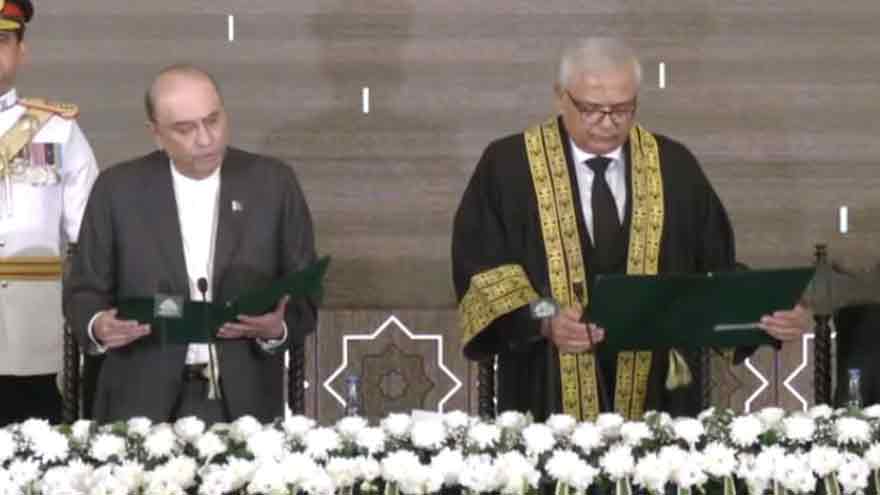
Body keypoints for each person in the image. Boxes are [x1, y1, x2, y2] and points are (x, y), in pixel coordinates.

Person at [452, 37, 812, 421]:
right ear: (561, 97)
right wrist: (545, 317)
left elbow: (712, 271)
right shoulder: (508, 167)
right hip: (544, 384)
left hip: (658, 390)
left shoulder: (674, 166)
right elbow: (487, 278)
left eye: (622, 110)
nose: (607, 123)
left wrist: (767, 313)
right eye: (592, 109)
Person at [66, 64, 317, 424]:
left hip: (244, 400)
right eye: (185, 129)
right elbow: (83, 291)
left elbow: (304, 290)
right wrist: (98, 325)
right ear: (155, 133)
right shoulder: (117, 190)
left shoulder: (272, 184)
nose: (206, 138)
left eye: (213, 120)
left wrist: (277, 328)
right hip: (139, 398)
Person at [0, 0, 99, 426]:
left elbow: (92, 238)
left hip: (34, 334)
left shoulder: (57, 130)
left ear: (22, 50)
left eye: (1, 40)